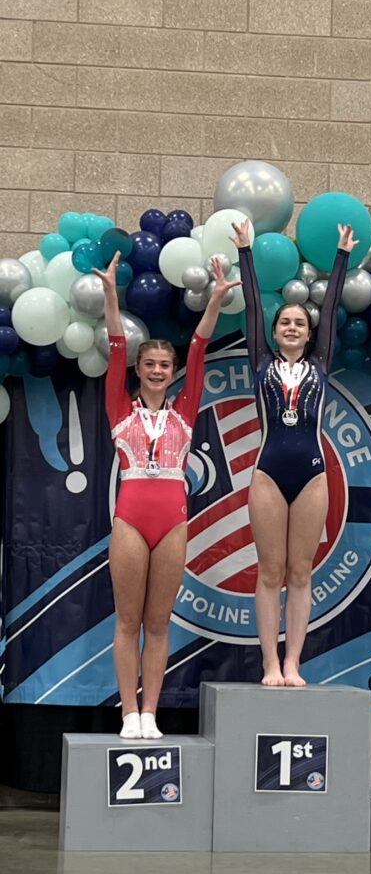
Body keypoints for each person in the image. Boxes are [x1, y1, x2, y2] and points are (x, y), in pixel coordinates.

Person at [95, 250, 238, 739]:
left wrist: (215, 300)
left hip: (173, 522)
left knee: (158, 623)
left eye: (164, 365)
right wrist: (110, 295)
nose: (157, 370)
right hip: (130, 520)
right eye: (149, 364)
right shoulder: (120, 408)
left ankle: (150, 712)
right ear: (138, 370)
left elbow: (199, 347)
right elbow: (116, 344)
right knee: (127, 621)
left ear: (172, 371)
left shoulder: (185, 410)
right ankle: (127, 712)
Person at [230, 219, 358, 687]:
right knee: (270, 571)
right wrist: (245, 252)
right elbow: (251, 306)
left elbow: (333, 304)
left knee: (300, 571)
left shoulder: (320, 364)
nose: (291, 327)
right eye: (284, 322)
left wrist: (342, 256)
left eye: (299, 323)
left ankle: (293, 662)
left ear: (309, 334)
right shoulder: (261, 362)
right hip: (267, 474)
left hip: (312, 475)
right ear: (274, 330)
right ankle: (269, 662)